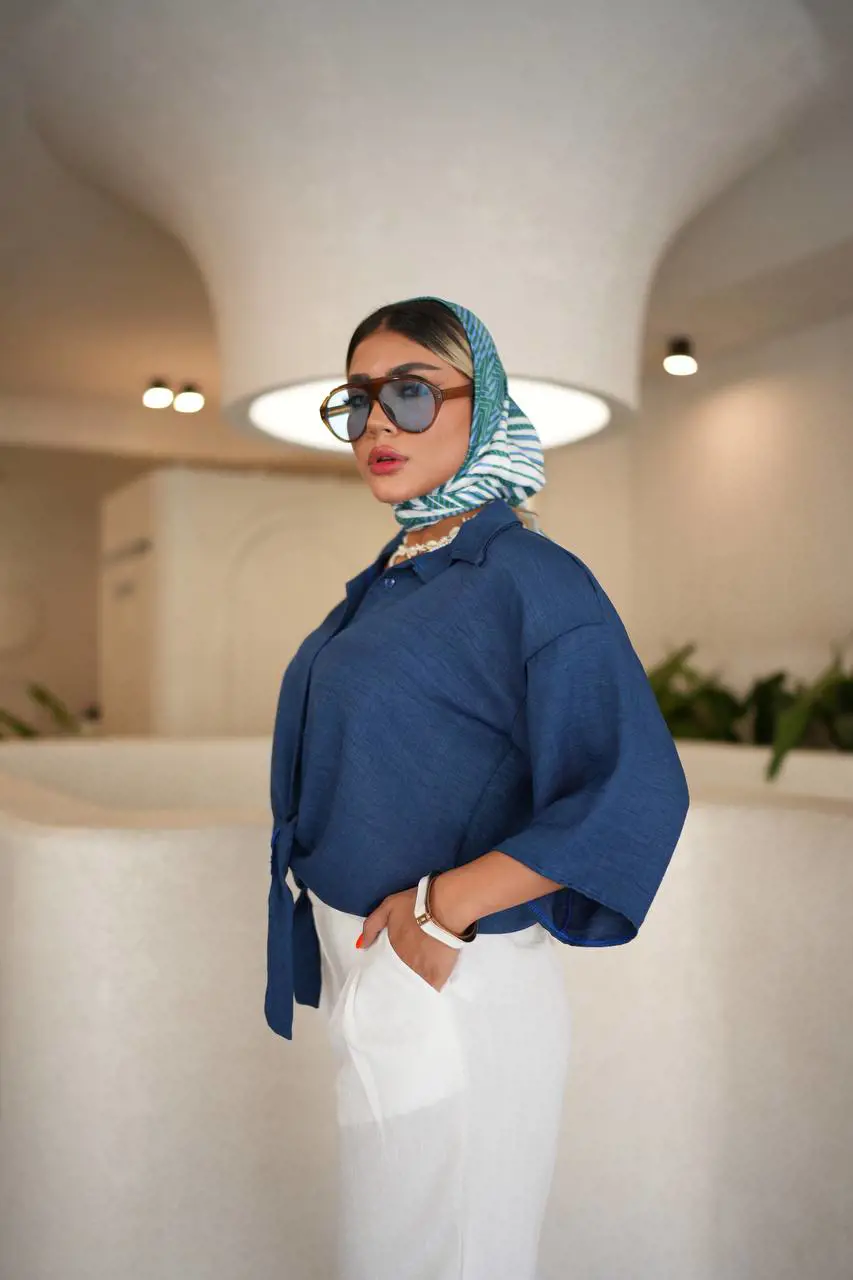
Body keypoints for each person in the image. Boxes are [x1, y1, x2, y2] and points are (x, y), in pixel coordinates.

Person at [265, 297, 690, 1280]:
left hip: (453, 978)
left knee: (449, 1258)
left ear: (482, 400)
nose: (377, 422)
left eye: (411, 393)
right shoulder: (399, 571)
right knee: (391, 1255)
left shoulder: (528, 576)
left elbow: (635, 785)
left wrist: (443, 908)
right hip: (377, 970)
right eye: (358, 399)